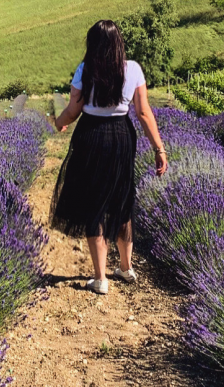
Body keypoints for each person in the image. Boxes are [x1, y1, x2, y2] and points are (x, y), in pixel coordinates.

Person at [51, 20, 168, 295]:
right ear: (119, 43)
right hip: (121, 137)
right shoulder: (134, 69)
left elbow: (72, 111)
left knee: (95, 202)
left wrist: (58, 123)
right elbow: (143, 113)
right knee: (121, 199)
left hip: (91, 135)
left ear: (93, 44)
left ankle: (100, 277)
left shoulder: (85, 69)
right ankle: (126, 268)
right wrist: (159, 149)